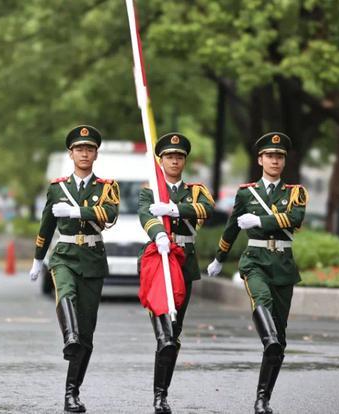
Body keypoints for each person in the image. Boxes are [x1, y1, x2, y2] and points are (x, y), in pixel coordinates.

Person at [206, 132, 308, 414]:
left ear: (284, 161)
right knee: (261, 302)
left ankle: (263, 398)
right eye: (270, 156)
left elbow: (296, 218)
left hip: (283, 264)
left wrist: (261, 219)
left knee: (281, 340)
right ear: (260, 159)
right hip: (255, 261)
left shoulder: (294, 193)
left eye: (280, 156)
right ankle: (269, 339)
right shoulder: (246, 193)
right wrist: (219, 258)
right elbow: (232, 228)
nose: (275, 160)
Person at [29, 125, 120, 413]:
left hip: (92, 257)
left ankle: (72, 392)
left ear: (95, 154)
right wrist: (37, 257)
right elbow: (46, 224)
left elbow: (111, 215)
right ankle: (69, 336)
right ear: (71, 154)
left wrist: (78, 212)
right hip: (65, 254)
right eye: (79, 149)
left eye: (89, 149)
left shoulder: (106, 187)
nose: (84, 153)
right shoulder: (57, 188)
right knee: (65, 292)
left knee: (88, 334)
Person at [138, 133, 215, 414]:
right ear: (161, 160)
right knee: (165, 335)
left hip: (183, 263)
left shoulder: (195, 191)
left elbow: (206, 208)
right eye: (169, 156)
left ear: (184, 161)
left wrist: (173, 208)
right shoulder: (151, 190)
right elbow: (145, 215)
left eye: (179, 156)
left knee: (175, 331)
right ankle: (159, 397)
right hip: (159, 260)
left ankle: (162, 393)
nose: (174, 160)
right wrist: (159, 233)